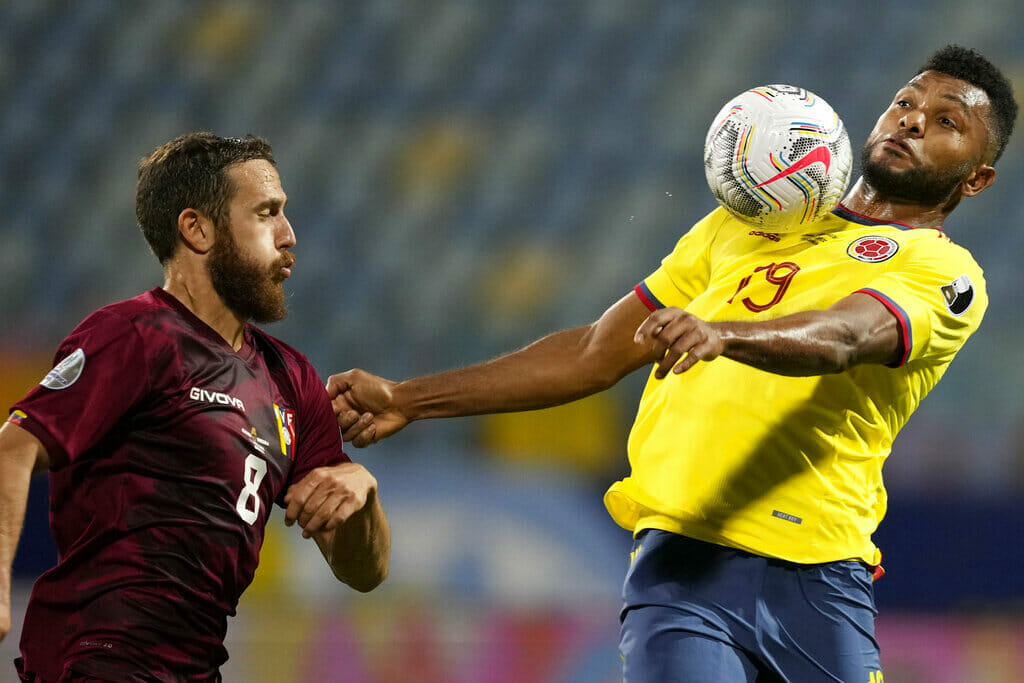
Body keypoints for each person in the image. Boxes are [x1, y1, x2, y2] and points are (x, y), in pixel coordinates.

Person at [327, 45, 1016, 682]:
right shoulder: (747, 219)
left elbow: (844, 334)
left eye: (946, 121)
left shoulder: (945, 273)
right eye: (905, 103)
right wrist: (409, 397)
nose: (911, 122)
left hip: (819, 574)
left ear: (978, 176)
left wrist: (727, 334)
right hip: (683, 567)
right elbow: (596, 351)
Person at [0, 133, 390, 681]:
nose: (289, 235)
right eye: (267, 213)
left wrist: (363, 493)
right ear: (197, 229)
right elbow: (12, 450)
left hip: (195, 668)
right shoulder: (136, 335)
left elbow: (364, 572)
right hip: (100, 656)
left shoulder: (291, 379)